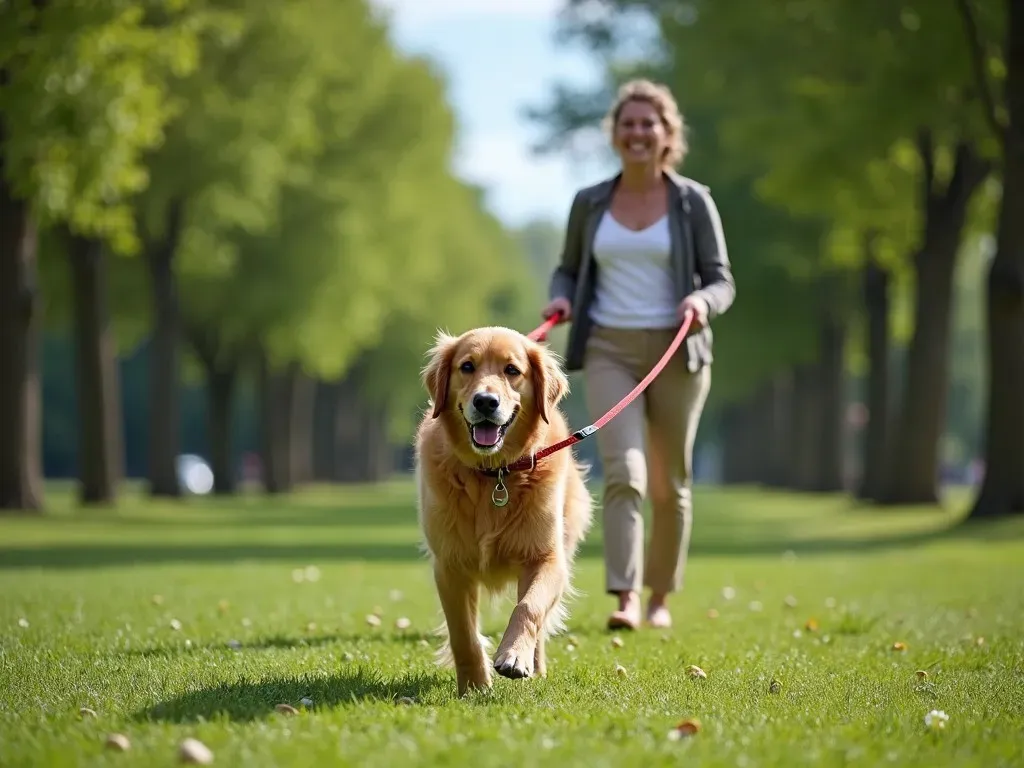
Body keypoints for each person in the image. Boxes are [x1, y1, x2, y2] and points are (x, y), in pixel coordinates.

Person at [542, 79, 735, 631]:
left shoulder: (693, 201)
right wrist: (560, 295)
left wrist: (702, 298)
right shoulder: (591, 201)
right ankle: (624, 596)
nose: (637, 132)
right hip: (609, 348)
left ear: (667, 133)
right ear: (615, 134)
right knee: (623, 470)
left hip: (678, 349)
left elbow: (722, 280)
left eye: (648, 123)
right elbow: (568, 267)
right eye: (628, 123)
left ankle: (660, 598)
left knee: (668, 481)